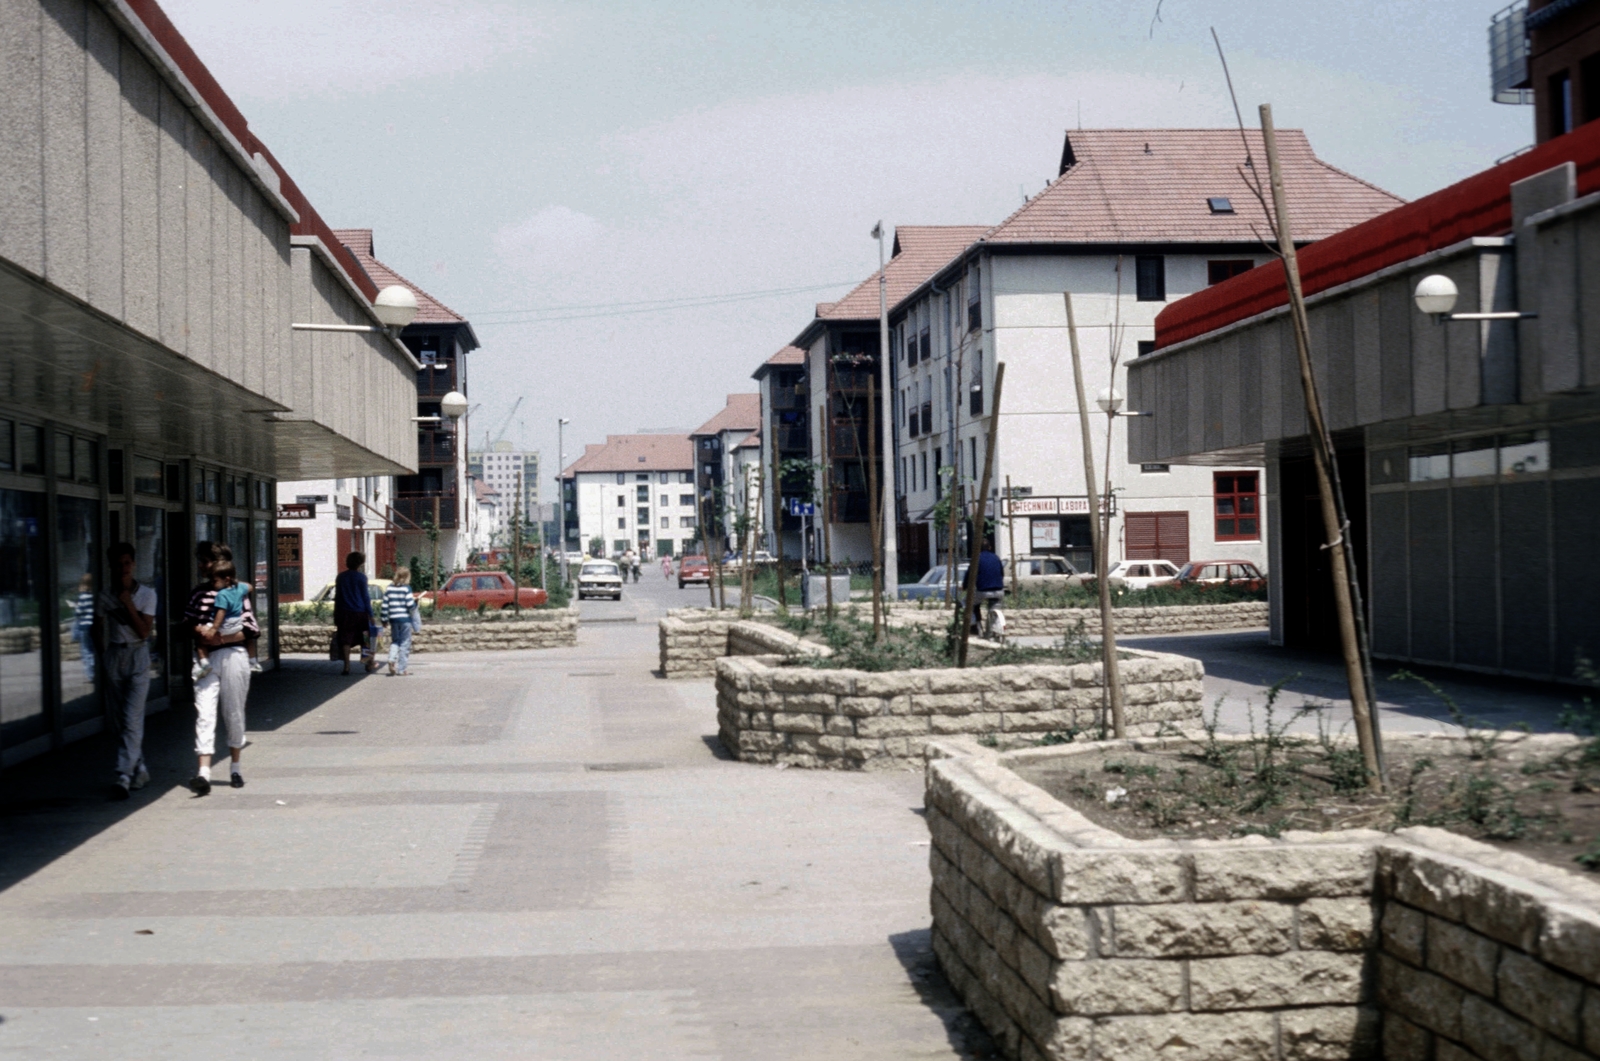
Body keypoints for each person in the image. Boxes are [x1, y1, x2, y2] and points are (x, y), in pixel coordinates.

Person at [184, 542, 252, 795]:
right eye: (199, 562)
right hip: (206, 659)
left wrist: (220, 637)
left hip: (233, 655)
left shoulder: (237, 592)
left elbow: (251, 629)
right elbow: (188, 622)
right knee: (204, 712)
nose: (201, 567)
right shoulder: (198, 593)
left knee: (233, 712)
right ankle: (204, 772)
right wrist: (198, 630)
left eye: (205, 561)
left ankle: (235, 767)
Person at [100, 543, 156, 800]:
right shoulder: (104, 595)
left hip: (138, 654)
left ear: (133, 564)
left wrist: (127, 604)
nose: (123, 568)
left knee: (133, 718)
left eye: (127, 563)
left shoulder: (147, 594)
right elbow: (95, 626)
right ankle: (140, 768)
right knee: (122, 720)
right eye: (118, 564)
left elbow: (144, 631)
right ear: (111, 566)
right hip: (115, 654)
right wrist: (101, 657)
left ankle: (123, 775)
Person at [193, 560, 248, 681]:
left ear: (227, 579)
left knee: (201, 642)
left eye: (215, 581)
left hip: (225, 625)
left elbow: (221, 613)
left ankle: (204, 664)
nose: (213, 584)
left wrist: (213, 629)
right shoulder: (239, 589)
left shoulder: (221, 594)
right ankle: (253, 661)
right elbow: (250, 587)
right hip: (237, 625)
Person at [333, 551, 377, 675]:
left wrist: (336, 614)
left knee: (346, 640)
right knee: (365, 639)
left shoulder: (341, 577)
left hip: (345, 612)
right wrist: (371, 614)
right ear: (360, 564)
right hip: (360, 613)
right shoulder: (362, 577)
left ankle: (346, 666)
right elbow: (365, 597)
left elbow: (338, 596)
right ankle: (368, 663)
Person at [382, 568, 419, 676]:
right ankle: (402, 669)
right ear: (407, 577)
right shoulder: (406, 589)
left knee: (395, 641)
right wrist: (415, 603)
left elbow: (384, 606)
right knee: (405, 643)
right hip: (405, 620)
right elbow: (410, 605)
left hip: (393, 619)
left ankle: (391, 659)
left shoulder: (389, 589)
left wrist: (384, 619)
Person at [974, 547, 1006, 638]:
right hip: (998, 590)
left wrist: (965, 585)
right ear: (990, 547)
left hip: (982, 591)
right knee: (995, 606)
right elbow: (1002, 574)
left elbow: (970, 574)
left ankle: (977, 627)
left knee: (973, 605)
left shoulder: (977, 558)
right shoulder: (996, 558)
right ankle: (995, 627)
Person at [72, 573, 96, 683]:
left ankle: (91, 675)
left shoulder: (83, 596)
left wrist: (75, 606)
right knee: (93, 649)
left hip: (85, 626)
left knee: (86, 650)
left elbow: (79, 612)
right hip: (94, 625)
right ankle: (96, 668)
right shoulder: (94, 596)